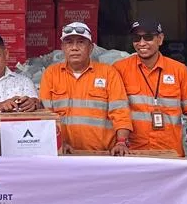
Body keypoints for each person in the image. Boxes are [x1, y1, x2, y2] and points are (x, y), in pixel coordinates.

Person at [39, 23, 132, 155]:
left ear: (91, 48)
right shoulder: (51, 74)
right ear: (62, 48)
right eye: (69, 43)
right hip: (64, 154)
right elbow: (45, 115)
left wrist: (121, 142)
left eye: (81, 42)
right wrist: (57, 142)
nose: (75, 48)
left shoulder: (108, 73)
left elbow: (120, 112)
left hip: (102, 155)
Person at [116, 19, 187, 154]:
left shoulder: (179, 70)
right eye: (137, 38)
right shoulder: (120, 69)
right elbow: (116, 111)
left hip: (170, 151)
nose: (141, 43)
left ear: (160, 39)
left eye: (148, 37)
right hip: (133, 151)